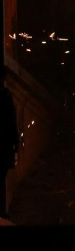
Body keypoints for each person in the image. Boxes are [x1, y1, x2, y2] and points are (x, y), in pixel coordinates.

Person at [0, 73, 18, 219]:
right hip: (3, 145)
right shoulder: (5, 97)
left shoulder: (5, 97)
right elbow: (11, 122)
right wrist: (15, 143)